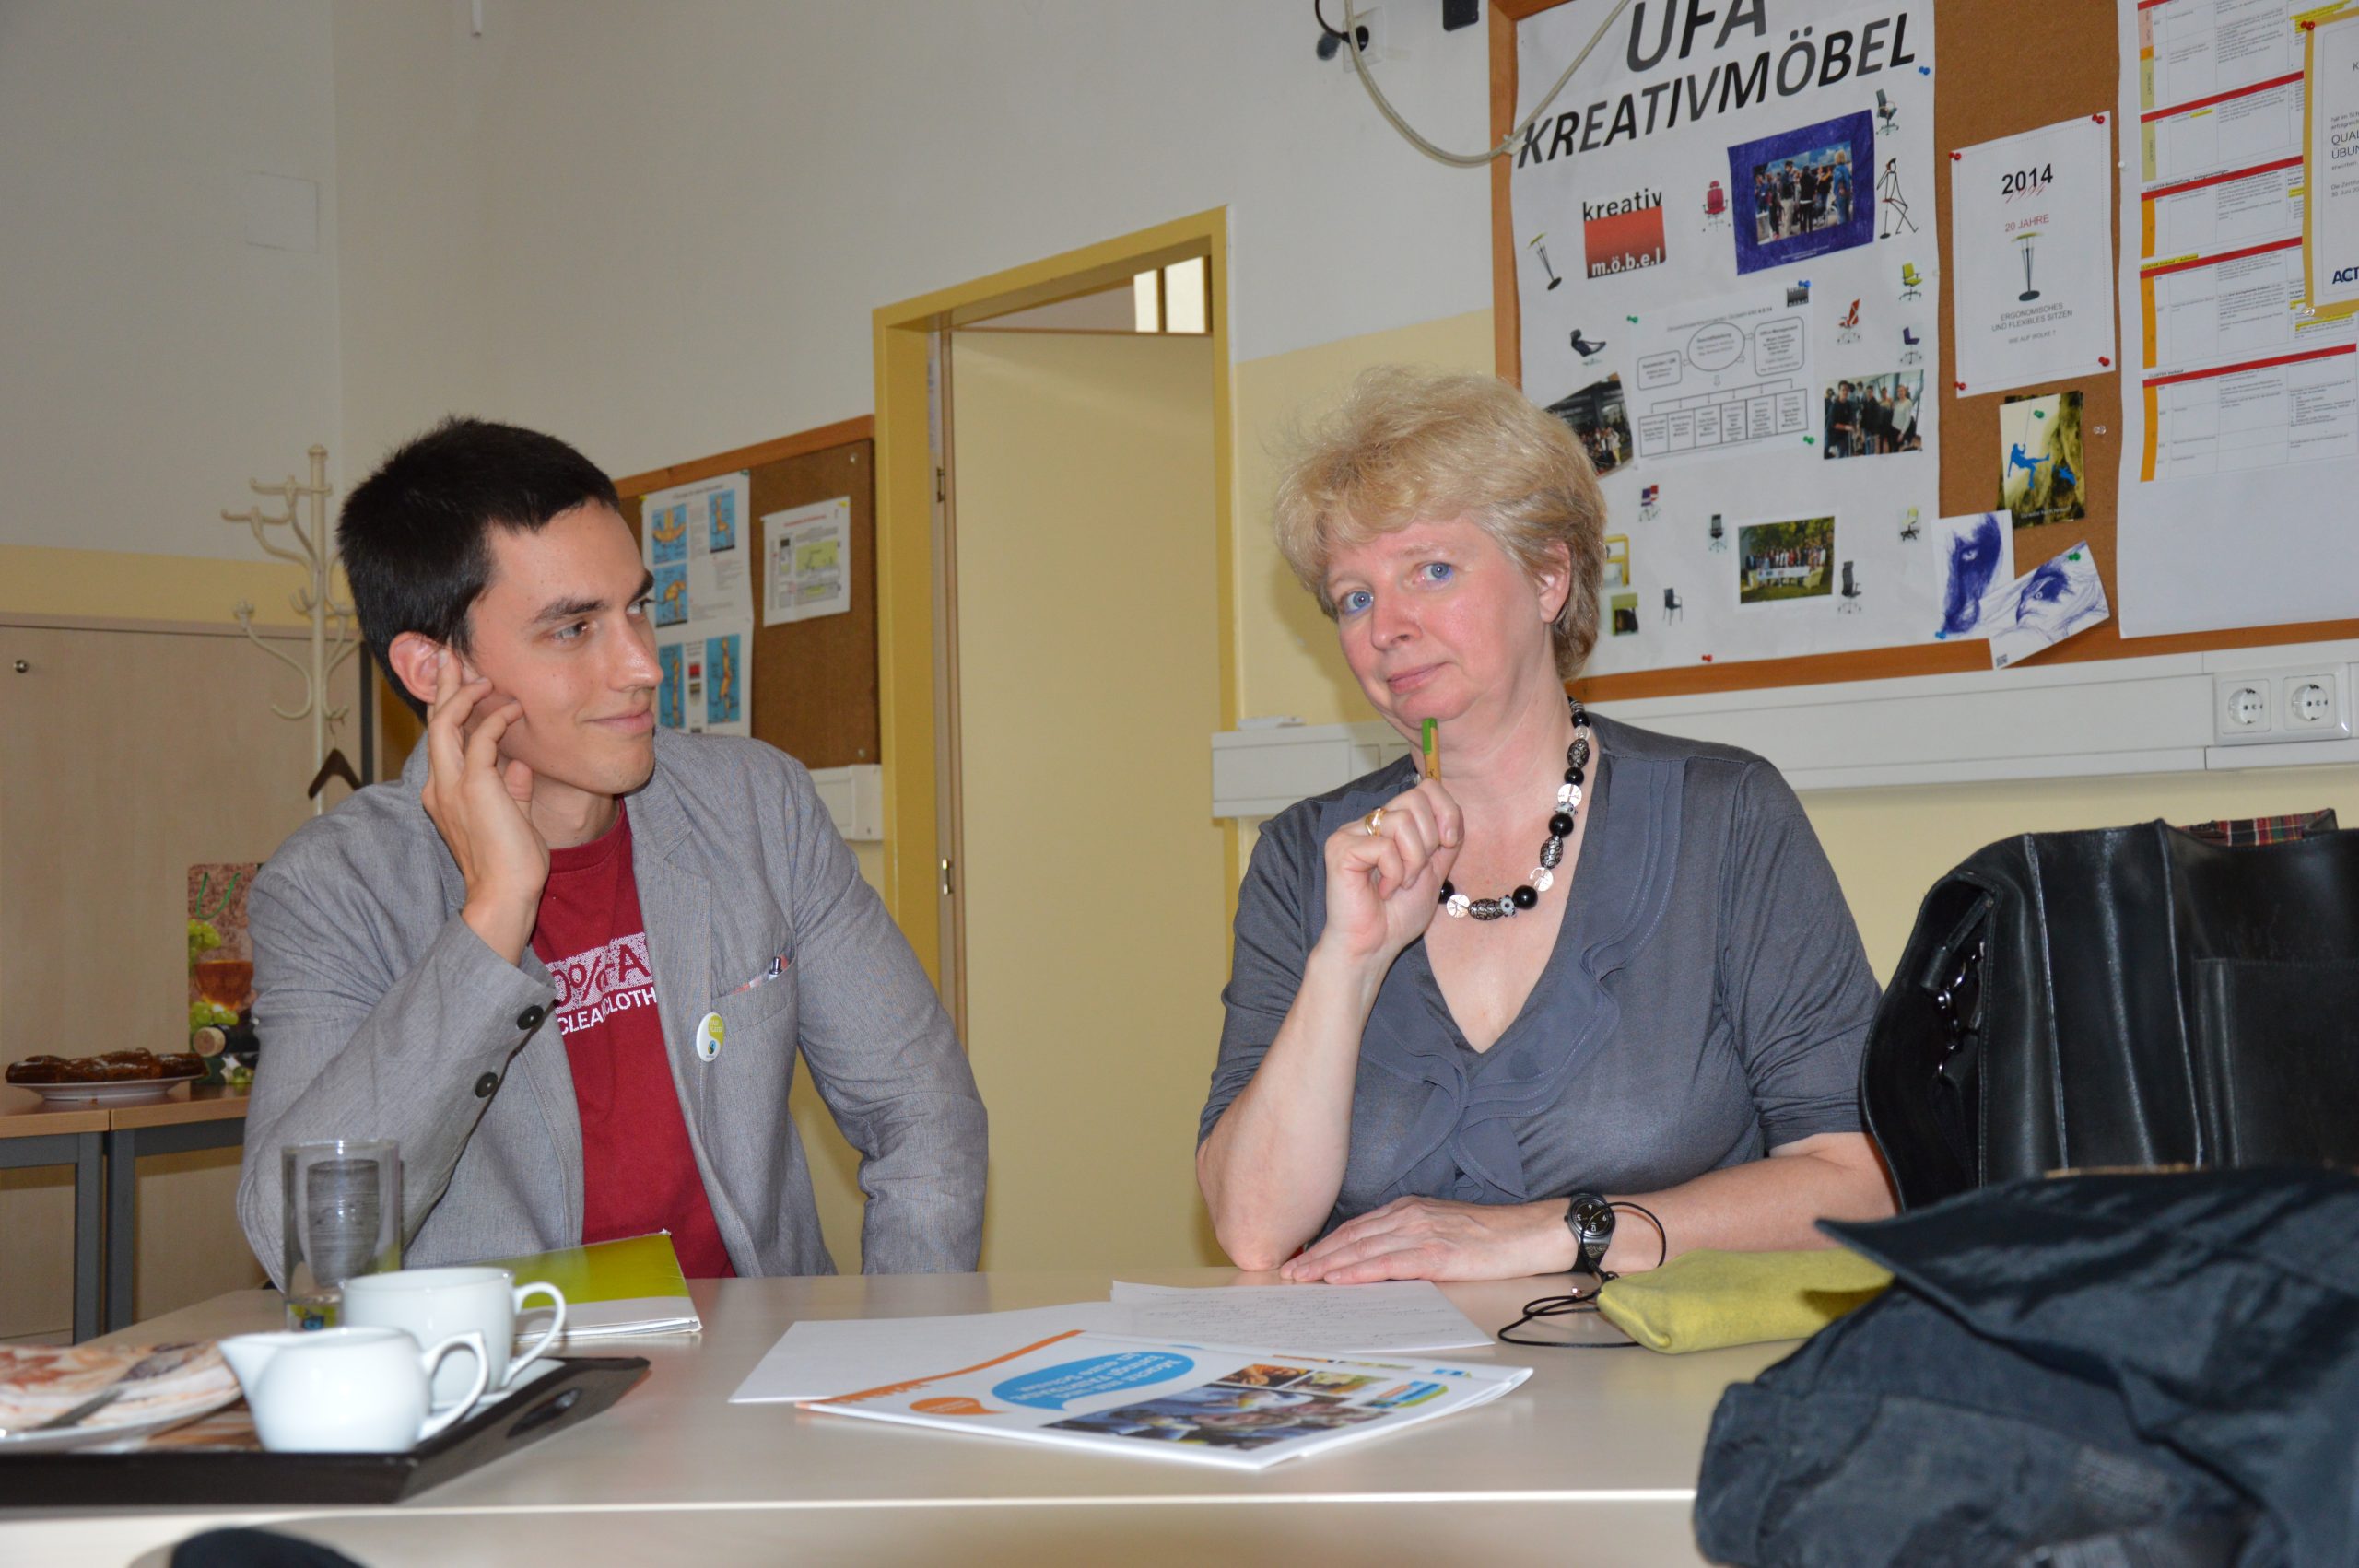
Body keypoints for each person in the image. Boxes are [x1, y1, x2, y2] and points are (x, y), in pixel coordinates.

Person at [235, 418, 987, 1281]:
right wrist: (493, 917)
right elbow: (301, 1242)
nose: (640, 666)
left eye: (637, 608)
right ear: (433, 670)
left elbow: (922, 1111)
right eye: (573, 629)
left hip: (763, 1353)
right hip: (513, 1361)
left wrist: (898, 1339)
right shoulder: (334, 887)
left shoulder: (757, 806)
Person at [1196, 369, 1891, 1282]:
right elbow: (1252, 1230)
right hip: (1380, 1366)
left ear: (1548, 578)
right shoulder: (1304, 857)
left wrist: (1562, 1232)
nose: (1386, 627)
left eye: (1431, 571)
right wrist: (1349, 962)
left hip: (1646, 1362)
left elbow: (1859, 1186)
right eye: (1355, 597)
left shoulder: (1726, 816)